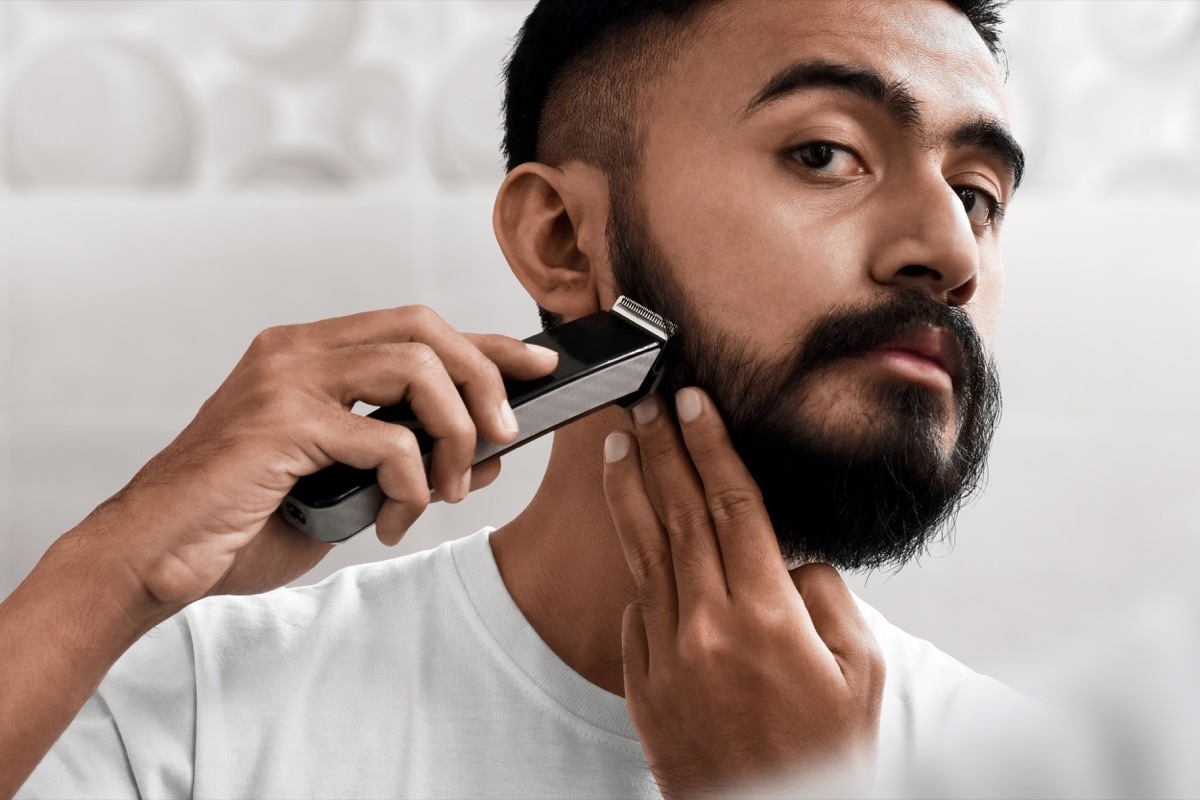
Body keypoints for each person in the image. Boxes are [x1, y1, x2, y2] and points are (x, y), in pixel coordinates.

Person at [2, 0, 1031, 796]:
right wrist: (118, 561)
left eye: (977, 195)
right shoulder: (192, 712)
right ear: (565, 241)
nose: (947, 251)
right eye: (823, 154)